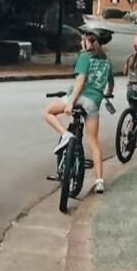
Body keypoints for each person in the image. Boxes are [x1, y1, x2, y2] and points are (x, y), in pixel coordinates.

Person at [43, 26, 114, 194]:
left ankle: (65, 134)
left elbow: (80, 81)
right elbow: (110, 83)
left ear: (89, 42)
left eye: (83, 40)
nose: (81, 43)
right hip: (93, 102)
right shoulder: (107, 61)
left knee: (47, 111)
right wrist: (107, 94)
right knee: (93, 141)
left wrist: (70, 103)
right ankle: (99, 181)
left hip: (79, 97)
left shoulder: (84, 57)